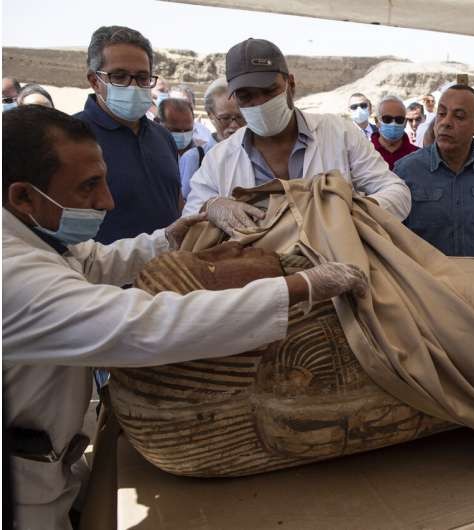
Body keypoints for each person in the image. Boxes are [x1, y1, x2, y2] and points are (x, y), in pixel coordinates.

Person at [2, 105, 369, 530]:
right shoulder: (10, 275)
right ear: (23, 196)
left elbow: (91, 262)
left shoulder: (32, 236)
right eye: (88, 187)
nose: (107, 200)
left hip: (47, 464)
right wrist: (297, 288)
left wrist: (168, 239)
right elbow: (144, 325)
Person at [183, 38, 411, 233]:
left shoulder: (340, 134)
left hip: (339, 268)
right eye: (246, 96)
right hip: (263, 280)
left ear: (290, 84)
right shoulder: (219, 159)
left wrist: (352, 213)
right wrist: (210, 207)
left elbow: (397, 194)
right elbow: (187, 225)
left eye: (269, 91)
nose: (260, 104)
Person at [75, 25, 181, 244]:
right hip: (100, 274)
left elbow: (175, 200)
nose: (132, 85)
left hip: (168, 271)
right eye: (119, 76)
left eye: (142, 77)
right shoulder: (70, 137)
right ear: (95, 81)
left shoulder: (163, 137)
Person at [394, 84, 474, 261]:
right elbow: (393, 234)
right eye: (441, 113)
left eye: (459, 116)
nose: (446, 122)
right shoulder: (406, 170)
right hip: (425, 283)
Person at [179, 78, 245, 198]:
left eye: (240, 117)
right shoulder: (194, 158)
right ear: (210, 115)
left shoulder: (256, 153)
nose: (234, 125)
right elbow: (187, 206)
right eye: (225, 118)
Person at [370, 95, 418, 170]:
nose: (393, 124)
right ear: (377, 121)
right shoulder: (366, 154)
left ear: (405, 123)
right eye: (387, 119)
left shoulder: (418, 155)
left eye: (399, 120)